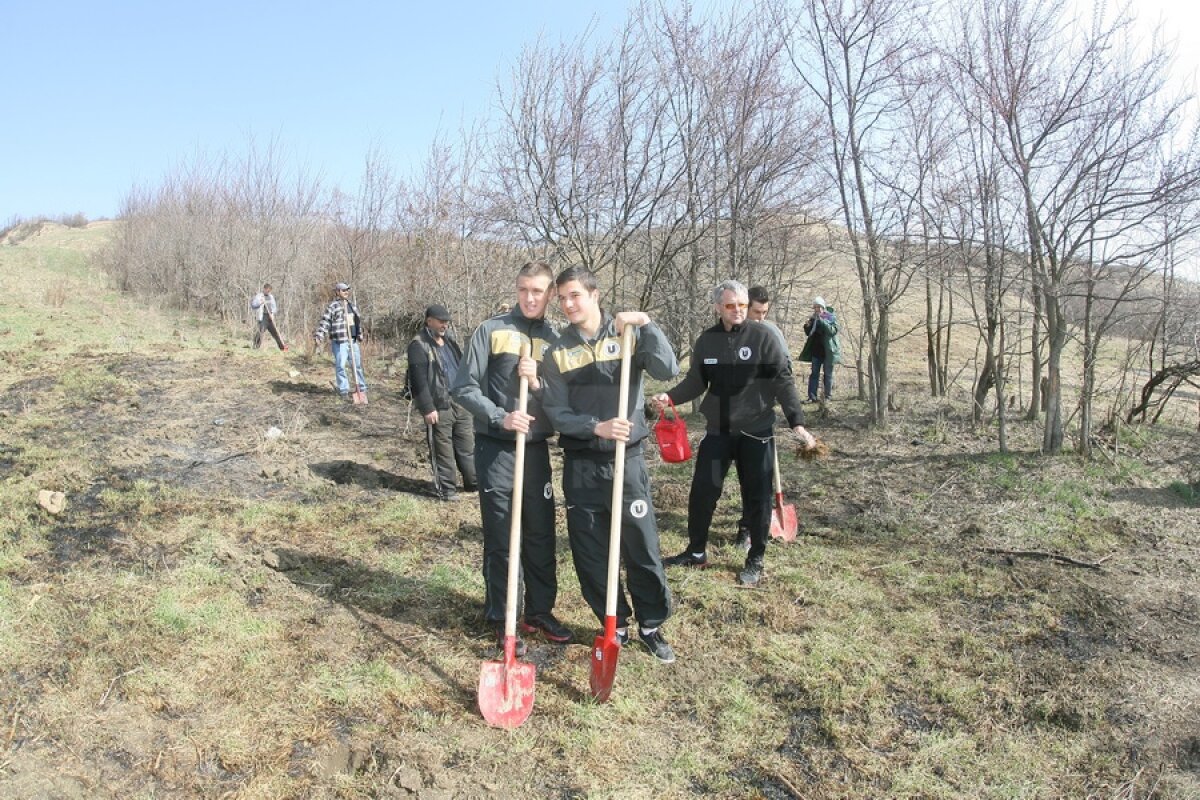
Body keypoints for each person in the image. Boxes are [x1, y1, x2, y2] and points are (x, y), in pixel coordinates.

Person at [540, 266, 680, 664]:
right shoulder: (557, 351)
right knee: (590, 550)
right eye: (562, 298)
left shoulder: (626, 334)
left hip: (626, 461)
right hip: (582, 463)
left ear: (594, 294)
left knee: (641, 545)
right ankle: (613, 622)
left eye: (574, 295)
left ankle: (651, 624)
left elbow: (667, 369)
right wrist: (594, 426)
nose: (568, 304)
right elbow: (555, 411)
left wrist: (646, 324)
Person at [654, 280, 817, 588]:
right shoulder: (707, 341)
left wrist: (797, 422)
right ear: (718, 307)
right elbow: (697, 381)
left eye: (742, 305)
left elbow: (783, 381)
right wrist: (670, 397)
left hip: (756, 432)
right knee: (703, 492)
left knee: (757, 498)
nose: (738, 310)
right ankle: (696, 552)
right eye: (731, 305)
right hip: (718, 431)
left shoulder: (763, 337)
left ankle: (755, 558)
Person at [451, 262, 570, 654]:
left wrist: (538, 382)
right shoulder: (491, 330)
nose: (530, 298)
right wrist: (501, 416)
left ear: (550, 293)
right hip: (497, 449)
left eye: (538, 291)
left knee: (540, 534)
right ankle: (503, 617)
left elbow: (564, 398)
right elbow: (463, 388)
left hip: (535, 450)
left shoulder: (557, 339)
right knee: (502, 536)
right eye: (523, 290)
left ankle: (539, 611)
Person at [407, 304, 477, 501]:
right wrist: (427, 408)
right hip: (438, 406)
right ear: (429, 321)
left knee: (468, 446)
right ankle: (447, 490)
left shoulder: (450, 342)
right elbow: (418, 381)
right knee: (443, 451)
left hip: (460, 403)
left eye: (446, 321)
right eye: (441, 321)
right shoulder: (418, 345)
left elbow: (463, 368)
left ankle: (473, 483)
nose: (444, 325)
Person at [312, 282, 368, 403]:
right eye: (343, 290)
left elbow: (358, 322)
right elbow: (325, 322)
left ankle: (361, 389)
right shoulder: (333, 306)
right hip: (340, 341)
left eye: (347, 290)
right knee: (341, 366)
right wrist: (319, 335)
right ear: (337, 292)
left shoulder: (352, 305)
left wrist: (360, 334)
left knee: (357, 366)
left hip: (353, 341)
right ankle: (343, 390)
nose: (346, 292)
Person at [799, 296, 840, 403]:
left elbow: (832, 331)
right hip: (816, 351)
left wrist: (822, 321)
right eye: (815, 307)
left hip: (828, 352)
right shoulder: (813, 318)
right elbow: (809, 333)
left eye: (819, 307)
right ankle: (812, 397)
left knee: (828, 375)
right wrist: (807, 326)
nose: (817, 309)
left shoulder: (830, 318)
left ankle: (827, 397)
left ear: (823, 307)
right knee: (814, 374)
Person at [747, 285, 788, 355]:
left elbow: (785, 359)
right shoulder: (733, 329)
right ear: (746, 309)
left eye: (764, 312)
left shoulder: (772, 332)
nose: (761, 317)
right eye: (757, 312)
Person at [250, 283, 287, 351]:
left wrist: (272, 313)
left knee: (275, 332)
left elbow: (274, 307)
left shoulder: (271, 297)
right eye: (267, 290)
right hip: (263, 317)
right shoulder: (259, 296)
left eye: (269, 291)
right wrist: (260, 302)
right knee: (260, 331)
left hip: (270, 317)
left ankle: (282, 347)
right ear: (264, 289)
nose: (268, 292)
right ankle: (255, 347)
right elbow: (253, 305)